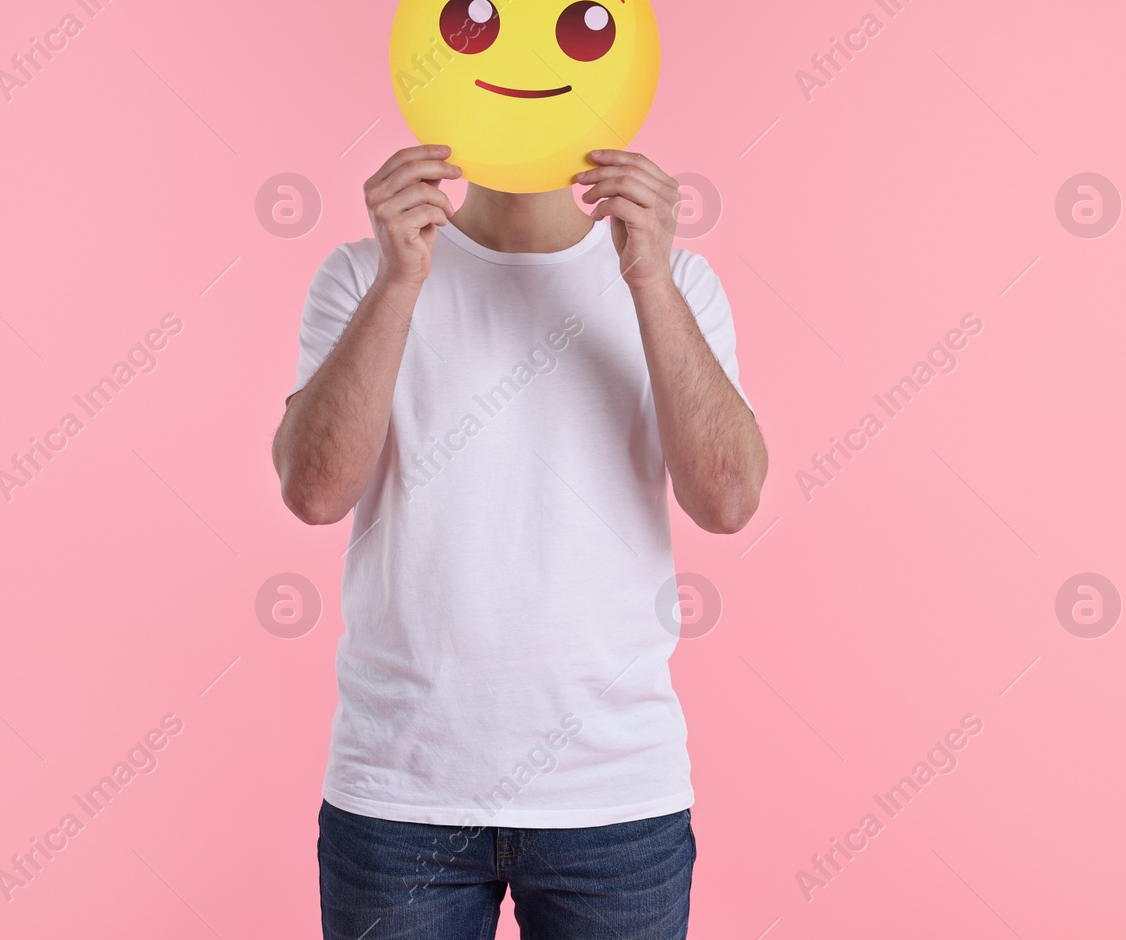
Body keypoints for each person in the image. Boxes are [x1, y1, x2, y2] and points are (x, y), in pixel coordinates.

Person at [273, 144, 768, 939]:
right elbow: (314, 491)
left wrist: (648, 279)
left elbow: (729, 499)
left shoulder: (677, 282)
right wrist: (402, 280)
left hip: (614, 795)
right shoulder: (362, 272)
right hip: (402, 795)